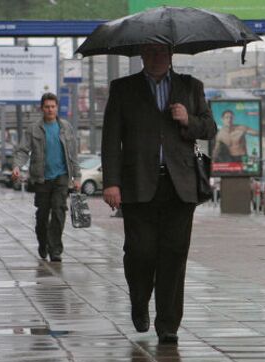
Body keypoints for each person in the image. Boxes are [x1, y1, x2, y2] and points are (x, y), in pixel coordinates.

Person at [101, 43, 217, 344]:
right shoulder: (123, 89)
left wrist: (187, 119)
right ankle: (139, 302)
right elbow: (111, 138)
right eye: (150, 53)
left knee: (174, 256)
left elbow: (210, 127)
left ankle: (168, 324)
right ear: (142, 56)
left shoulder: (190, 87)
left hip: (180, 186)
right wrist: (111, 182)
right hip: (138, 185)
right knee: (140, 252)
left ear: (171, 55)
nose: (156, 58)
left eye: (161, 53)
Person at [12, 92, 81, 262]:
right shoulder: (34, 128)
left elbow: (73, 154)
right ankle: (43, 243)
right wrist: (16, 166)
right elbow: (23, 150)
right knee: (42, 216)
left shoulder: (66, 127)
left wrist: (77, 176)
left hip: (61, 177)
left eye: (53, 106)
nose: (50, 110)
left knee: (59, 212)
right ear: (42, 109)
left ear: (57, 108)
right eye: (47, 107)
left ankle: (55, 249)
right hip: (41, 178)